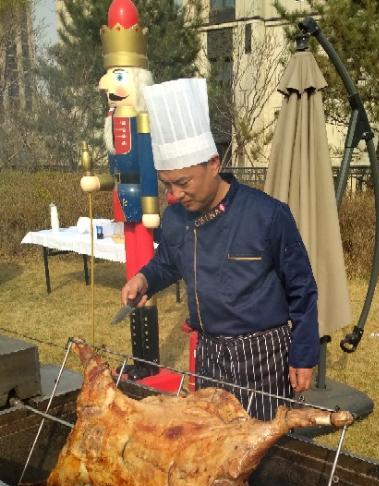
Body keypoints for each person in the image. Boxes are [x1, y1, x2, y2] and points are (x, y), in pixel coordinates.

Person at [122, 78, 320, 420]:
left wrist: (303, 354)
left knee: (260, 448)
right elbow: (169, 261)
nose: (175, 195)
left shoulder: (268, 215)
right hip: (209, 352)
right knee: (211, 443)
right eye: (167, 184)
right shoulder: (175, 218)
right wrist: (144, 279)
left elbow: (302, 289)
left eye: (183, 183)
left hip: (262, 355)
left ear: (213, 164)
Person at [80, 0, 161, 378]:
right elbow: (120, 169)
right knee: (132, 277)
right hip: (123, 208)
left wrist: (150, 205)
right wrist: (100, 182)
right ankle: (139, 357)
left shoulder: (141, 121)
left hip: (141, 211)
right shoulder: (114, 123)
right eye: (109, 74)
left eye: (119, 75)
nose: (106, 84)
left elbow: (147, 168)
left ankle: (149, 361)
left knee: (144, 278)